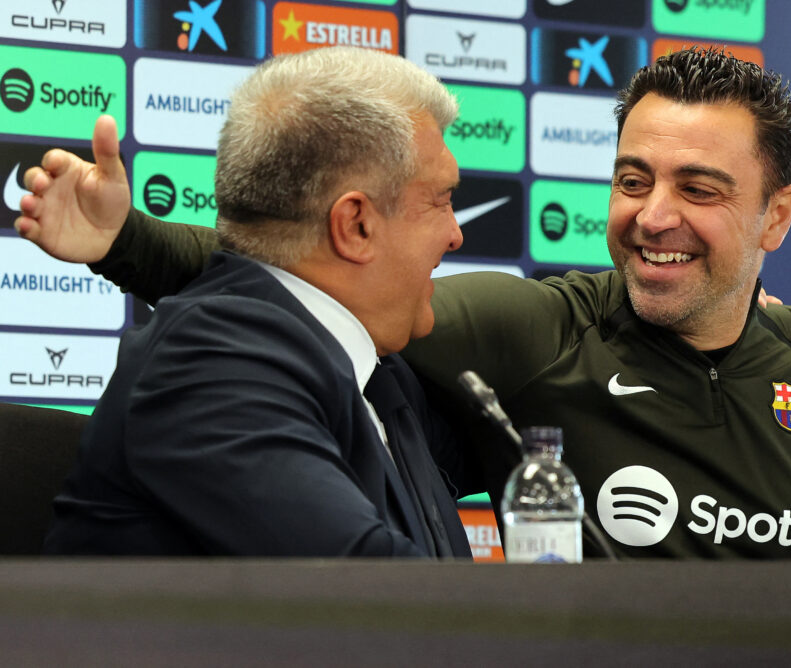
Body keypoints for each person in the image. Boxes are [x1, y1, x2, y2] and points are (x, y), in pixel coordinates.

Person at [17, 48, 791, 560]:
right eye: (631, 179)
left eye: (698, 189)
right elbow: (309, 269)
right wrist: (124, 242)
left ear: (776, 215)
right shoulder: (536, 330)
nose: (652, 216)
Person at [23, 46, 476, 557]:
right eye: (441, 200)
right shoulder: (210, 366)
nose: (455, 234)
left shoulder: (381, 375)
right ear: (356, 225)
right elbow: (381, 602)